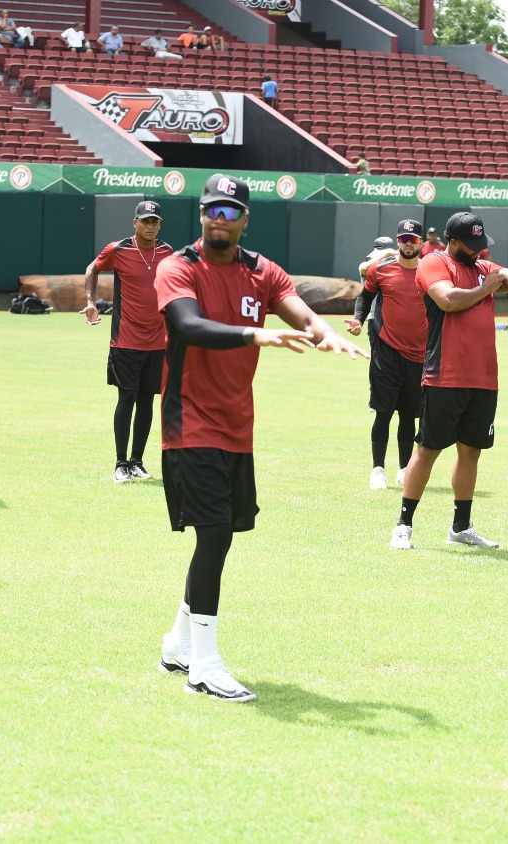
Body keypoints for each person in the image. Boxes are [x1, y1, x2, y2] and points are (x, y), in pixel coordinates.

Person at [154, 173, 362, 702]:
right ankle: (205, 664)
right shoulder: (177, 266)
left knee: (220, 533)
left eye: (230, 212)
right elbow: (186, 326)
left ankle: (178, 644)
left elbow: (296, 307)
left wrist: (325, 331)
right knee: (216, 532)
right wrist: (255, 333)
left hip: (236, 424)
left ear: (245, 219)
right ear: (200, 215)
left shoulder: (261, 271)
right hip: (188, 421)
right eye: (212, 211)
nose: (219, 220)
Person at [390, 208, 508, 550]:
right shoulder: (434, 263)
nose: (478, 250)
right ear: (453, 241)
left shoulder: (483, 267)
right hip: (445, 375)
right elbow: (447, 300)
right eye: (471, 244)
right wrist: (484, 288)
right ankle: (404, 524)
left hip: (484, 378)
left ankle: (460, 527)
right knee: (427, 450)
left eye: (480, 243)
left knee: (471, 452)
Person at [82, 200, 174, 482]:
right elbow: (92, 269)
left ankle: (137, 461)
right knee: (127, 398)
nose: (150, 225)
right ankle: (120, 463)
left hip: (159, 340)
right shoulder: (118, 249)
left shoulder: (168, 252)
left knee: (147, 401)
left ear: (159, 225)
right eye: (145, 220)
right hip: (125, 339)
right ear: (134, 223)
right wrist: (90, 302)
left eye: (154, 221)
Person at [346, 220, 427, 491]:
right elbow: (365, 297)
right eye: (403, 238)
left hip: (419, 355)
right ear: (398, 241)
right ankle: (377, 470)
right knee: (383, 413)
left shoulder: (430, 272)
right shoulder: (381, 270)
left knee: (408, 415)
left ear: (420, 243)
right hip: (386, 352)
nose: (408, 243)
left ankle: (404, 469)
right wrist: (358, 320)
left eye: (413, 239)